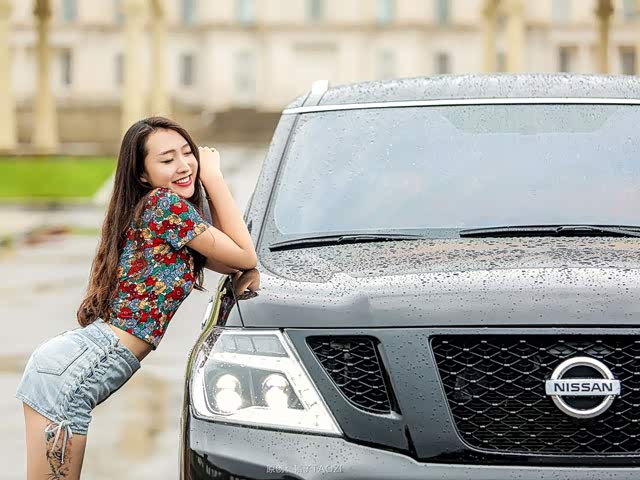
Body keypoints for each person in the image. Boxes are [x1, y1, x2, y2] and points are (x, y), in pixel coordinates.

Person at [15, 117, 259, 479]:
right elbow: (246, 255)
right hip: (74, 371)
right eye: (167, 159)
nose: (184, 165)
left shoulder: (162, 213)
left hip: (67, 363)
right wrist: (214, 177)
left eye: (188, 153)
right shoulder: (164, 205)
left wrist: (209, 189)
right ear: (143, 174)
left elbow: (231, 260)